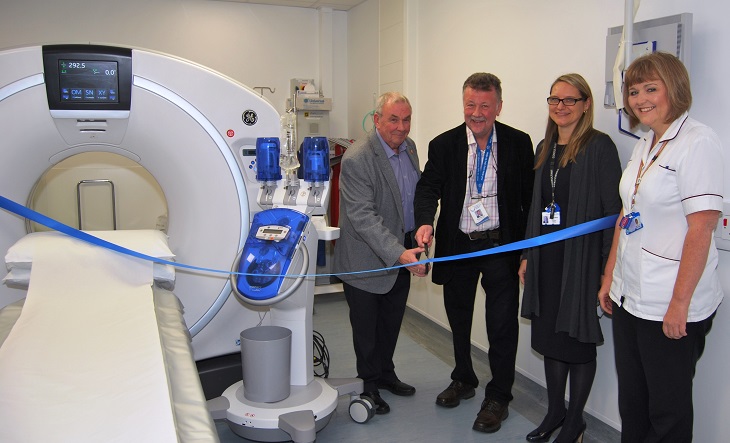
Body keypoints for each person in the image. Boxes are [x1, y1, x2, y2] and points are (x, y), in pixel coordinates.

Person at [598, 52, 724, 442]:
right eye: (634, 91)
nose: (640, 99)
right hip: (630, 295)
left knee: (667, 413)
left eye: (651, 88)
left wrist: (679, 305)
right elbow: (627, 212)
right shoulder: (646, 143)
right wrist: (609, 279)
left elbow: (701, 230)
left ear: (676, 88)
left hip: (670, 302)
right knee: (633, 404)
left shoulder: (698, 142)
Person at [414, 72, 534, 433]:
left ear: (499, 106)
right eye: (470, 105)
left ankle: (499, 396)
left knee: (501, 325)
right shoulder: (444, 144)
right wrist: (424, 222)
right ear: (462, 104)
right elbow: (428, 188)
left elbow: (528, 200)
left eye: (485, 105)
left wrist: (527, 251)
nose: (477, 112)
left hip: (501, 245)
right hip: (459, 245)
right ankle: (464, 378)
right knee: (459, 317)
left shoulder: (518, 142)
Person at [518, 73, 622, 443]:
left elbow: (615, 213)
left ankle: (575, 420)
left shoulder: (599, 146)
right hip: (546, 260)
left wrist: (606, 270)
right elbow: (536, 206)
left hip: (580, 262)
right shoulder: (545, 147)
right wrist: (529, 254)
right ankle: (555, 411)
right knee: (550, 338)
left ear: (586, 104)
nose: (560, 107)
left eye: (569, 100)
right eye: (554, 100)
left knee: (576, 341)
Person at [333, 91, 427, 415]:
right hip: (365, 259)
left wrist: (420, 237)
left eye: (406, 119)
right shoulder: (357, 158)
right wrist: (399, 253)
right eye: (393, 119)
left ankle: (386, 374)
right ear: (377, 120)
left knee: (391, 321)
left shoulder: (410, 148)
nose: (401, 127)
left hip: (402, 250)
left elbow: (413, 199)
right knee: (367, 330)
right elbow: (362, 218)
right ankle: (368, 385)